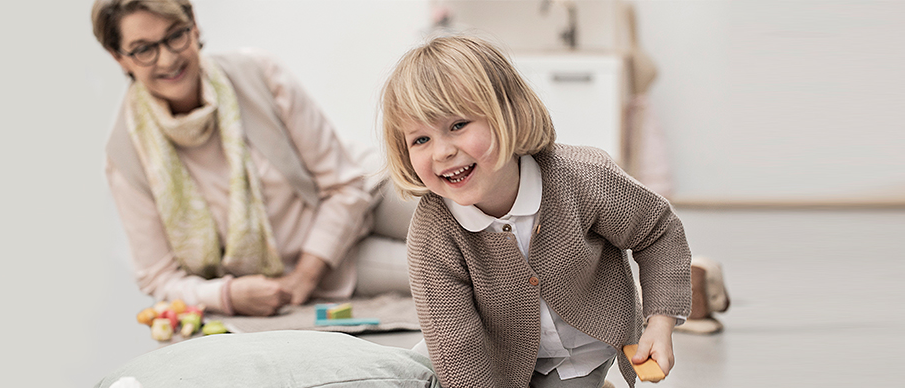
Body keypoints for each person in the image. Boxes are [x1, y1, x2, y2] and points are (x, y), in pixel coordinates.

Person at [379, 35, 692, 388]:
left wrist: (660, 323)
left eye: (458, 125)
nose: (441, 152)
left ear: (508, 115)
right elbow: (456, 345)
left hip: (579, 349)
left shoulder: (582, 178)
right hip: (500, 353)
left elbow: (659, 232)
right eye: (420, 139)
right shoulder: (432, 233)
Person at [91, 0, 402, 317]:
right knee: (444, 269)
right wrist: (226, 295)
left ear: (194, 25)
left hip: (368, 191)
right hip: (336, 257)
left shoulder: (258, 72)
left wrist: (302, 278)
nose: (168, 58)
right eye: (144, 49)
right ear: (119, 58)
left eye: (175, 36)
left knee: (450, 212)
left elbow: (344, 185)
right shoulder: (125, 155)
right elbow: (159, 277)